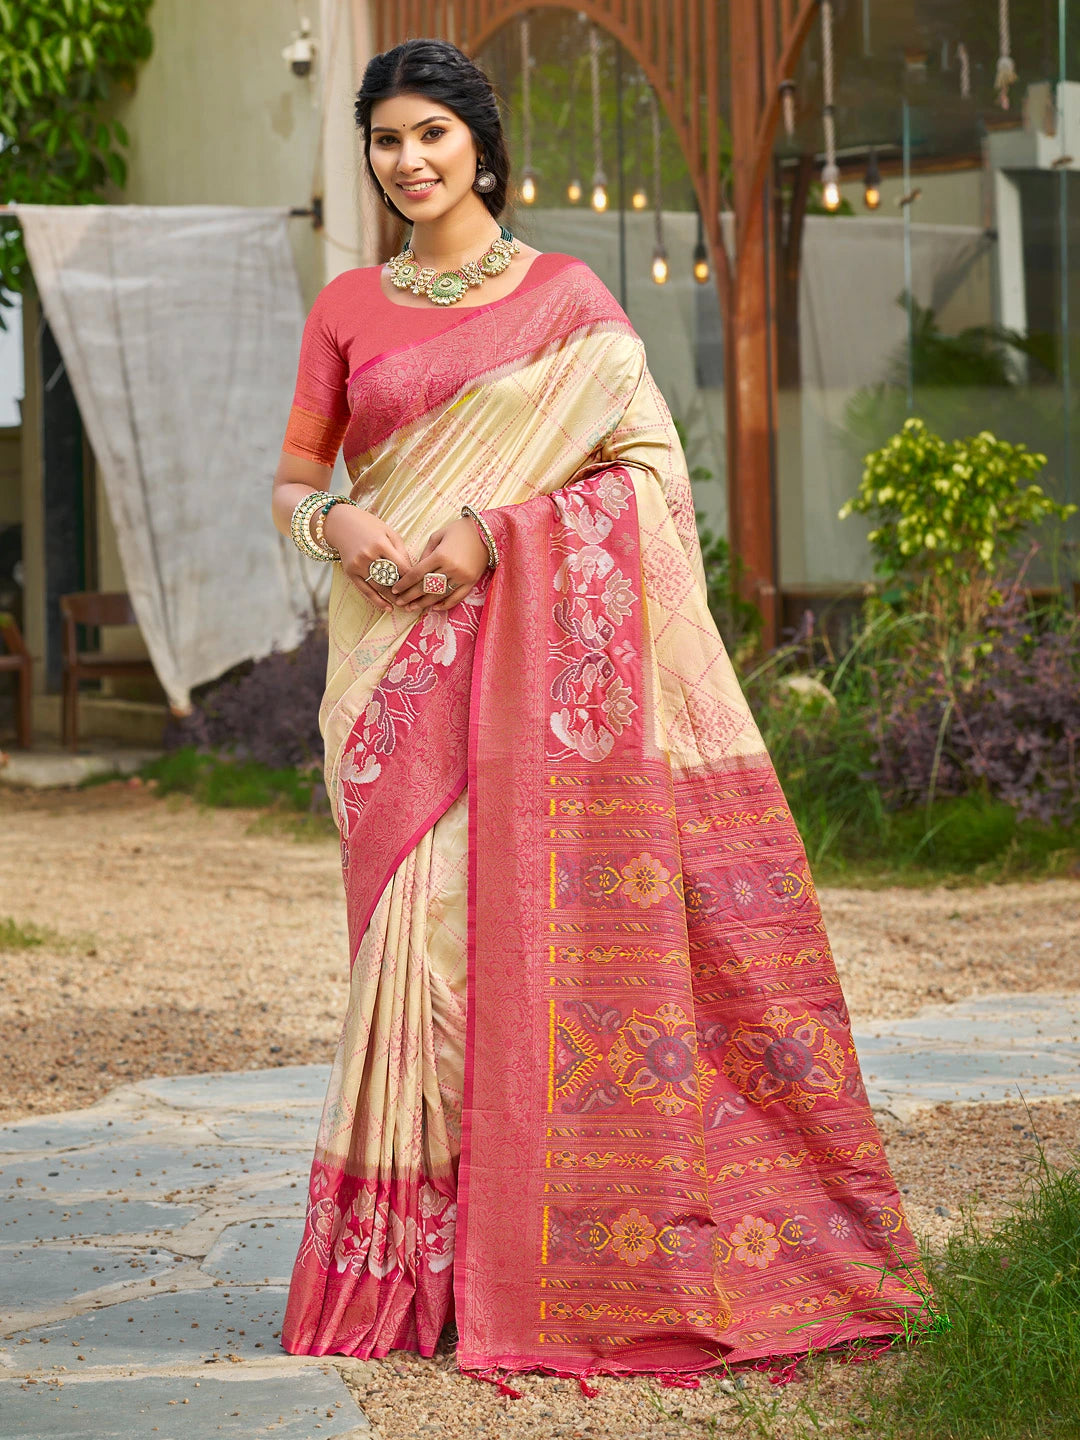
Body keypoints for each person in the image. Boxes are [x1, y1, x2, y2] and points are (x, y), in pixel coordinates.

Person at [270, 36, 931, 1386]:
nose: (409, 160)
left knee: (486, 956)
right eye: (388, 139)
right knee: (414, 963)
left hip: (523, 675)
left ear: (481, 146)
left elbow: (649, 480)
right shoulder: (346, 306)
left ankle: (531, 1261)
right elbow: (294, 478)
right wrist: (334, 523)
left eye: (433, 135)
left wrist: (497, 534)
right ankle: (415, 1276)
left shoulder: (568, 301)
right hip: (391, 673)